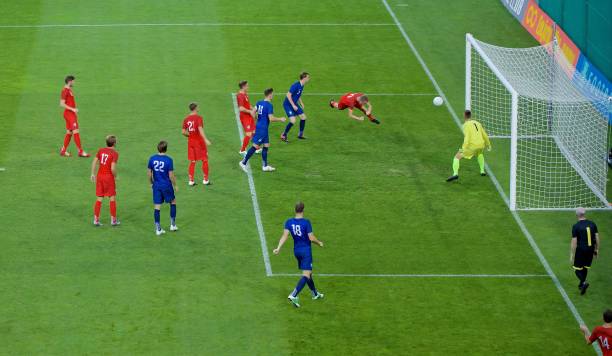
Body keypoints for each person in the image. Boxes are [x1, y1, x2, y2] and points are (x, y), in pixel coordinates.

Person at [273, 202, 324, 308]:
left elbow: (284, 236)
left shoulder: (289, 222)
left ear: (295, 210)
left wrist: (278, 248)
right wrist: (319, 242)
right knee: (306, 274)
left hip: (296, 251)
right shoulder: (306, 222)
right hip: (306, 251)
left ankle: (314, 293)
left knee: (309, 273)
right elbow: (311, 238)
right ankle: (294, 294)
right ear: (303, 210)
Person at [239, 88, 286, 172]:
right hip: (262, 129)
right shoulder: (269, 105)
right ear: (270, 95)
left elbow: (253, 112)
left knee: (266, 145)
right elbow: (271, 119)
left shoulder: (259, 102)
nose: (273, 95)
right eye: (272, 94)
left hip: (261, 127)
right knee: (255, 146)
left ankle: (265, 166)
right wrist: (280, 119)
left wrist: (257, 119)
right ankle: (243, 162)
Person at [446, 110, 491, 182]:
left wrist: (464, 148)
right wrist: (488, 144)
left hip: (472, 146)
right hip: (481, 145)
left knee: (457, 157)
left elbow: (467, 138)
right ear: (471, 115)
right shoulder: (477, 123)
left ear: (464, 116)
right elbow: (485, 135)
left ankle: (455, 174)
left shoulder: (465, 125)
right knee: (479, 153)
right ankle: (482, 171)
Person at [147, 141, 178, 236]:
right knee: (173, 202)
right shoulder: (169, 160)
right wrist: (175, 185)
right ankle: (172, 225)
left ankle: (158, 229)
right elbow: (171, 175)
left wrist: (151, 183)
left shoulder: (152, 159)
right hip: (166, 185)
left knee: (157, 206)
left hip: (156, 185)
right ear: (166, 149)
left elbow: (149, 173)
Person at [90, 135, 119, 226]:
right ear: (114, 143)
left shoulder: (101, 150)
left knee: (99, 198)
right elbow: (113, 168)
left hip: (100, 177)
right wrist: (116, 176)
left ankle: (96, 219)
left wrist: (92, 174)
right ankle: (113, 220)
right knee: (112, 198)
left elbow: (94, 161)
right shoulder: (114, 153)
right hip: (108, 178)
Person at [571, 207, 599, 295]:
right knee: (585, 267)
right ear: (584, 214)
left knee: (577, 269)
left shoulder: (576, 226)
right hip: (590, 249)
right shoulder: (592, 224)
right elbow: (597, 238)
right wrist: (596, 249)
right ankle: (581, 285)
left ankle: (584, 282)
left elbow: (574, 241)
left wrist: (572, 254)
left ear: (577, 215)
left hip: (581, 249)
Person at [182, 102, 212, 186]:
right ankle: (205, 180)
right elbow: (200, 129)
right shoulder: (198, 118)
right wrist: (205, 139)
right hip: (199, 142)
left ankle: (191, 181)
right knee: (204, 160)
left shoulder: (186, 119)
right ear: (195, 108)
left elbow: (183, 132)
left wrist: (190, 135)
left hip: (191, 142)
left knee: (192, 161)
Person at [59, 75, 89, 157]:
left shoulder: (69, 90)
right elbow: (61, 104)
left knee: (69, 132)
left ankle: (63, 150)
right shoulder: (65, 90)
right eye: (73, 81)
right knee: (76, 131)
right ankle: (81, 151)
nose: (74, 82)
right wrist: (73, 109)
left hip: (70, 114)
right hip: (69, 114)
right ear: (70, 81)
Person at [281, 72, 310, 142]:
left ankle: (300, 134)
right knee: (293, 120)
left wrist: (301, 103)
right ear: (304, 78)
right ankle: (283, 135)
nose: (309, 79)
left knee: (303, 117)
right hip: (288, 104)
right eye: (308, 77)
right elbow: (288, 95)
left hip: (294, 104)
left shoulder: (302, 85)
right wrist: (293, 105)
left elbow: (298, 95)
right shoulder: (295, 85)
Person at [236, 80, 257, 155]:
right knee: (248, 134)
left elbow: (247, 105)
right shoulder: (240, 95)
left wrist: (254, 109)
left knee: (254, 131)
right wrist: (250, 111)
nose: (248, 87)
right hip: (245, 117)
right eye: (247, 86)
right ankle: (242, 150)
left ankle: (256, 147)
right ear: (243, 86)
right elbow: (240, 108)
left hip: (249, 115)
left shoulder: (245, 94)